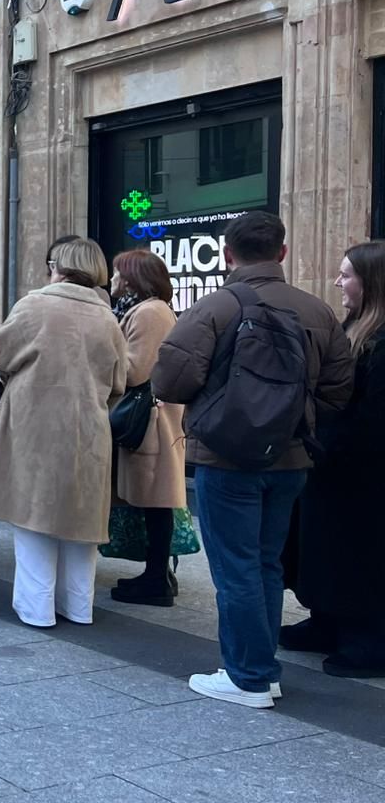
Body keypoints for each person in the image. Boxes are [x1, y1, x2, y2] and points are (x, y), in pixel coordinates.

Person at [154, 212, 354, 707]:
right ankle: (263, 670)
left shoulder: (213, 308)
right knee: (265, 564)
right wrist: (293, 423)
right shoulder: (317, 311)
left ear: (227, 254)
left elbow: (169, 381)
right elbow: (339, 388)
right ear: (282, 253)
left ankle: (248, 675)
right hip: (289, 461)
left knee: (236, 568)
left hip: (226, 459)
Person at [0, 238, 128, 628]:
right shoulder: (107, 318)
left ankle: (36, 608)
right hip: (90, 427)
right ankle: (79, 607)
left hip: (34, 424)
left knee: (34, 516)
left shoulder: (35, 304)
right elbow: (118, 383)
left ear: (58, 265)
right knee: (81, 523)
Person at [283, 241, 385, 678]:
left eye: (347, 275)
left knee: (359, 554)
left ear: (372, 282)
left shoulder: (379, 341)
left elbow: (371, 418)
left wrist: (331, 445)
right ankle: (327, 619)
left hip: (363, 471)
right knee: (321, 548)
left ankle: (369, 638)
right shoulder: (356, 327)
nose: (338, 282)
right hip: (331, 462)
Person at [107, 249, 188, 607]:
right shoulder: (143, 310)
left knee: (156, 502)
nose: (111, 281)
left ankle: (157, 579)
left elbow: (134, 370)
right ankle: (156, 575)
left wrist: (102, 357)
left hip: (150, 424)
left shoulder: (150, 313)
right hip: (149, 421)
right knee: (152, 501)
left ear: (131, 279)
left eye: (116, 274)